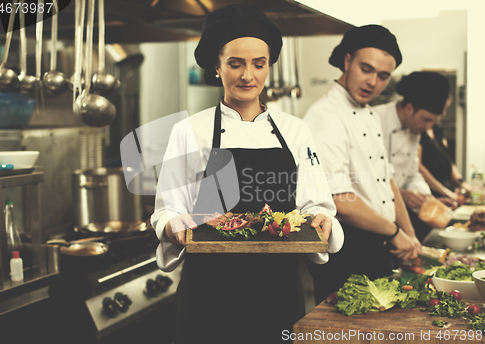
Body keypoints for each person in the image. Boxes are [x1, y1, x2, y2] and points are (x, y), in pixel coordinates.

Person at [150, 4, 343, 344]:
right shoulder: (188, 130)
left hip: (278, 287)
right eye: (235, 63)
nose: (247, 76)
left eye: (259, 64)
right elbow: (168, 208)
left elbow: (317, 204)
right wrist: (172, 223)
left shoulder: (294, 131)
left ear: (269, 66)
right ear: (217, 66)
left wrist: (323, 220)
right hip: (209, 290)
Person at [302, 24, 422, 304]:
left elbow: (386, 179)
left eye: (383, 76)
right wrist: (395, 233)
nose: (373, 82)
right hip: (347, 248)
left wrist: (409, 234)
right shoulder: (326, 116)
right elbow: (339, 199)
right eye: (366, 69)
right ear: (347, 61)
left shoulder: (367, 112)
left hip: (376, 242)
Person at [374, 71, 456, 241]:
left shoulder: (414, 128)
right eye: (426, 120)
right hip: (374, 217)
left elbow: (412, 173)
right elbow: (367, 178)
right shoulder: (374, 120)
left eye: (432, 122)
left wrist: (428, 200)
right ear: (409, 108)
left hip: (400, 216)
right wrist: (402, 195)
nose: (428, 127)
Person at [419, 96, 471, 202]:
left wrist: (462, 184)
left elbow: (448, 162)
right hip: (426, 193)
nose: (444, 113)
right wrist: (444, 191)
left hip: (444, 192)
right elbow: (418, 167)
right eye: (443, 108)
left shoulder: (437, 129)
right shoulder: (419, 130)